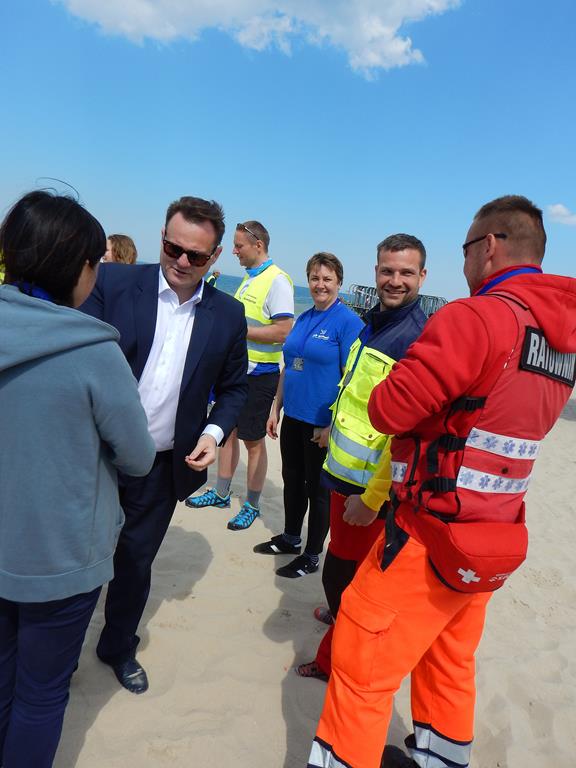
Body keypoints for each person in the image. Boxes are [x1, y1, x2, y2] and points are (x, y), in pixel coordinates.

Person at [308, 195, 576, 768]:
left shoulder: (476, 317)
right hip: (495, 535)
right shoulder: (558, 344)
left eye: (466, 249)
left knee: (360, 662)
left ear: (489, 246)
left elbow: (388, 409)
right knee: (449, 663)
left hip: (427, 532)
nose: (466, 263)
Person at [0, 191, 155, 767]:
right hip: (60, 558)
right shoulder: (92, 350)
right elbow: (138, 457)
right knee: (40, 695)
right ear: (81, 268)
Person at [81, 196, 248, 694]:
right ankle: (58, 653)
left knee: (134, 563)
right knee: (80, 559)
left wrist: (213, 434)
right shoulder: (112, 283)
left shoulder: (228, 314)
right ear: (162, 238)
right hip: (93, 456)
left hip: (161, 464)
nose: (181, 261)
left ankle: (117, 647)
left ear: (214, 257)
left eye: (195, 255)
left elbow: (234, 388)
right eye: (174, 248)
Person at [297, 234, 428, 681]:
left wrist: (373, 499)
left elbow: (405, 434)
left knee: (343, 577)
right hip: (343, 474)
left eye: (406, 272)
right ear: (375, 272)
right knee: (342, 570)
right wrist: (331, 425)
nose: (395, 280)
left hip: (368, 488)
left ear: (422, 277)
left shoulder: (414, 339)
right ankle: (340, 622)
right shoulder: (374, 322)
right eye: (387, 271)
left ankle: (333, 661)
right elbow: (356, 391)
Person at [254, 253, 364, 577]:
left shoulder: (348, 322)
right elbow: (290, 366)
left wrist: (332, 425)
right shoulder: (303, 319)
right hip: (294, 416)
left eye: (327, 279)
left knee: (318, 489)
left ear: (339, 283)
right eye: (315, 278)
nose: (320, 285)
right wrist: (276, 407)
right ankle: (291, 538)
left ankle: (313, 554)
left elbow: (352, 379)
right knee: (292, 480)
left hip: (321, 422)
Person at [186, 220, 294, 531]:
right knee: (227, 433)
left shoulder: (278, 280)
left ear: (258, 245)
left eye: (239, 246)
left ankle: (252, 504)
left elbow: (283, 331)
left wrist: (240, 329)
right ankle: (221, 493)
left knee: (253, 442)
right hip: (236, 369)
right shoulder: (250, 277)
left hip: (260, 372)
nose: (234, 251)